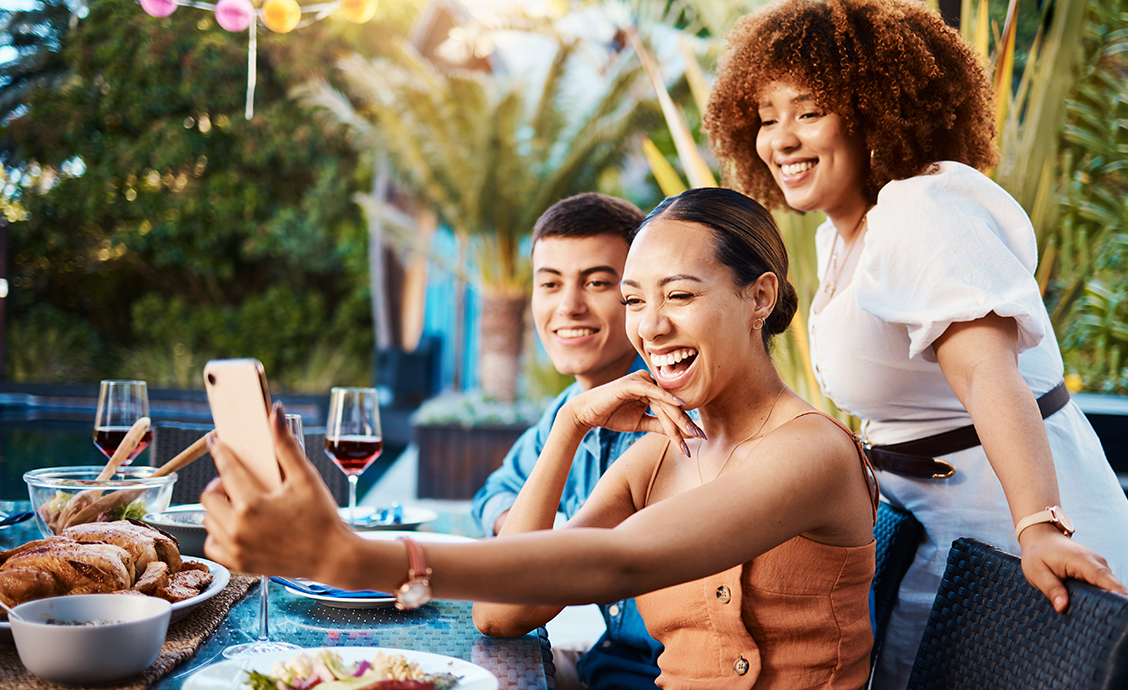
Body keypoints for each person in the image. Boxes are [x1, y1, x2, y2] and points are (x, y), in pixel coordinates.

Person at [202, 187, 880, 689]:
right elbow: (502, 616)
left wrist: (352, 558)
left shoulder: (811, 452)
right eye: (637, 301)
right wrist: (569, 426)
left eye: (678, 295)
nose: (651, 327)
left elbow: (617, 562)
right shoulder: (660, 452)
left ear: (759, 298)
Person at [701, 1, 1128, 688]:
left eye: (808, 110)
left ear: (874, 110)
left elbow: (987, 377)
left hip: (1018, 533)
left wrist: (1040, 528)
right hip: (934, 531)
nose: (781, 139)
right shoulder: (842, 235)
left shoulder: (922, 210)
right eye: (766, 117)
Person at [470, 192, 664, 690]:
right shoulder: (568, 409)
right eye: (550, 284)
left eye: (598, 283)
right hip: (608, 663)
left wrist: (542, 541)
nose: (568, 306)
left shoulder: (668, 416)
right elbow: (492, 492)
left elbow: (504, 610)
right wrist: (525, 524)